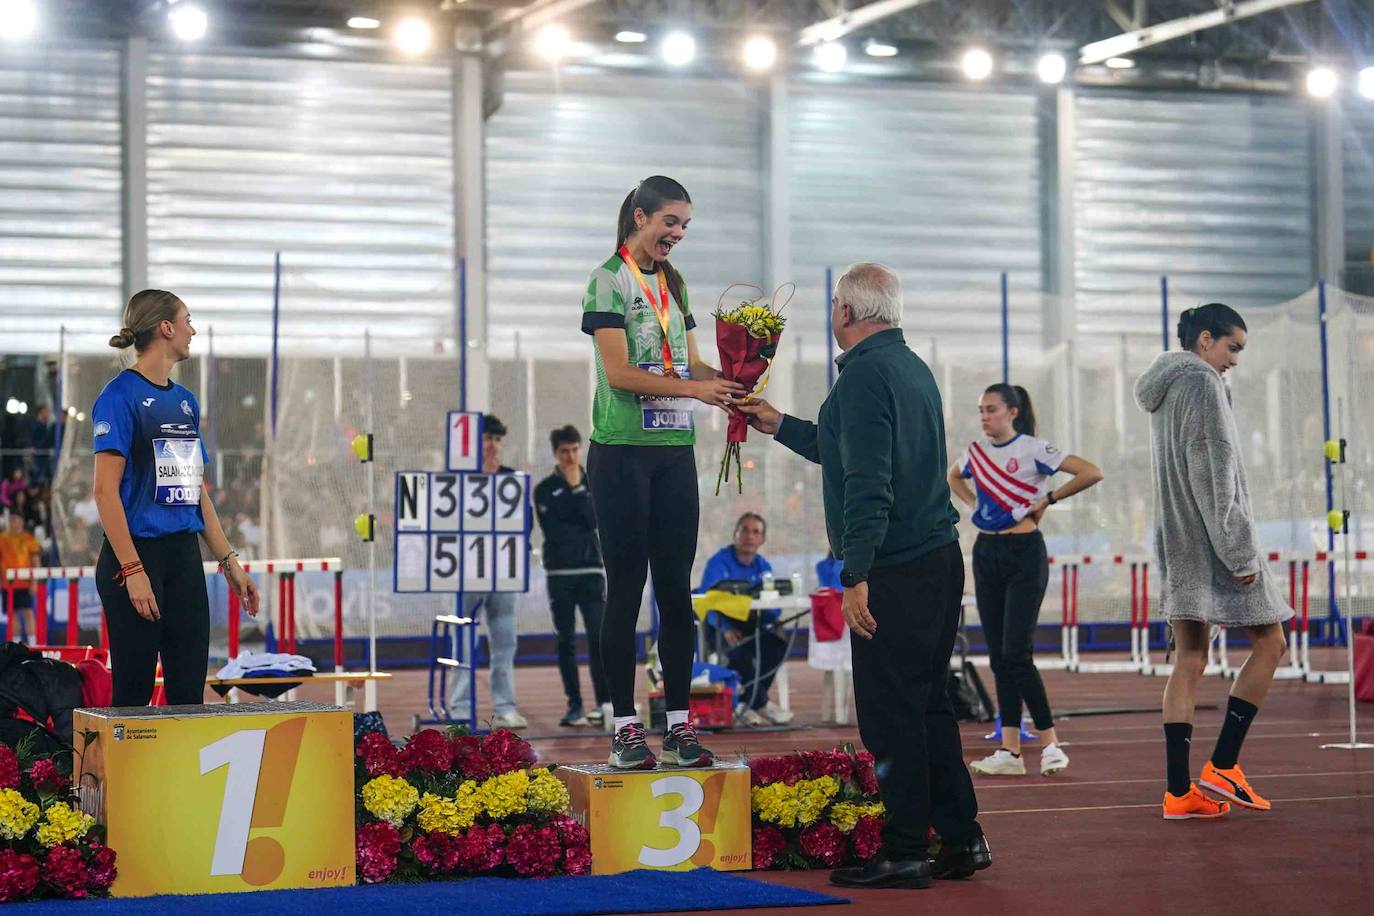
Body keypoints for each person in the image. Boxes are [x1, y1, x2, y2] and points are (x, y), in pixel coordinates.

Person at [738, 262, 987, 889]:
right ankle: (962, 838)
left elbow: (867, 484)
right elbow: (845, 447)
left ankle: (904, 851)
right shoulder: (909, 369)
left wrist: (855, 573)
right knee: (928, 706)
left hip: (894, 569)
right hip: (937, 560)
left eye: (831, 306)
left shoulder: (863, 377)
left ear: (846, 312)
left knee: (890, 714)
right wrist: (778, 424)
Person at [582, 175, 743, 769]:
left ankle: (679, 725)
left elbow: (689, 360)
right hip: (621, 451)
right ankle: (625, 727)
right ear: (641, 217)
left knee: (678, 591)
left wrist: (728, 383)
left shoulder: (673, 282)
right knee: (625, 588)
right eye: (670, 222)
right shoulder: (606, 279)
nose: (677, 234)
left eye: (685, 226)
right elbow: (620, 373)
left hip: (674, 450)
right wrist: (697, 388)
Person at [1135, 303, 1292, 820]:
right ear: (1205, 340)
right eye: (1233, 347)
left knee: (1190, 660)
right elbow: (1212, 472)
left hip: (1177, 541)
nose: (1235, 360)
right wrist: (1239, 551)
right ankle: (1223, 764)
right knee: (1272, 643)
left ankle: (1178, 794)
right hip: (1214, 542)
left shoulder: (1162, 389)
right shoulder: (1202, 384)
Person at [92, 289, 260, 706]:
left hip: (183, 557)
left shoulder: (185, 403)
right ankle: (124, 774)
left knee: (188, 697)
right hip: (133, 557)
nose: (192, 330)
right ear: (166, 328)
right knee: (133, 696)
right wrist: (132, 569)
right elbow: (104, 492)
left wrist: (230, 564)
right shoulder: (118, 397)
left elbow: (195, 492)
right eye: (187, 320)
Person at [948, 384, 1103, 778]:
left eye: (992, 409)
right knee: (999, 657)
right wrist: (974, 504)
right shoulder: (977, 453)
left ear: (1012, 412)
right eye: (981, 409)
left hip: (1025, 555)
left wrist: (1048, 500)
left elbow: (1090, 471)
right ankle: (1010, 750)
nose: (984, 416)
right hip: (986, 554)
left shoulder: (1034, 449)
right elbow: (953, 476)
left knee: (1017, 653)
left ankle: (1050, 743)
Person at [448, 416, 528, 729]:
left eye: (496, 439)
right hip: (467, 571)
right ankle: (460, 707)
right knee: (463, 641)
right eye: (486, 438)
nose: (492, 444)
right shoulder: (459, 478)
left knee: (505, 643)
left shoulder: (512, 479)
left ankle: (505, 707)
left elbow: (525, 522)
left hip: (504, 571)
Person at [534, 424, 609, 728]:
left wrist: (578, 491)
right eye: (564, 451)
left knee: (598, 638)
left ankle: (605, 703)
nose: (570, 456)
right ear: (556, 453)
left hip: (592, 570)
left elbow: (594, 521)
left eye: (575, 449)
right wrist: (577, 500)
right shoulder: (543, 489)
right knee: (565, 640)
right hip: (560, 573)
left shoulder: (594, 483)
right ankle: (574, 705)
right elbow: (554, 529)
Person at [696, 512, 793, 726]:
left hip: (752, 626)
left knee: (777, 646)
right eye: (745, 530)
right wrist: (726, 629)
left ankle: (747, 703)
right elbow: (707, 602)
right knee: (741, 651)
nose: (750, 536)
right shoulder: (718, 562)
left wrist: (774, 607)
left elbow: (772, 609)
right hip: (719, 628)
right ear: (735, 534)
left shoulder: (764, 566)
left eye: (755, 532)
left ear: (762, 540)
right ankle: (760, 703)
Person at [0, 513, 41, 645]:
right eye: (11, 520)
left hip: (25, 582)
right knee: (13, 614)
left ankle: (33, 644)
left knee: (28, 612)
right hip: (8, 583)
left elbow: (36, 560)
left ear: (21, 521)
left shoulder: (29, 538)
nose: (13, 522)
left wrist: (34, 581)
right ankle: (15, 644)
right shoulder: (2, 538)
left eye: (16, 520)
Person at [29, 406, 54, 484]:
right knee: (38, 476)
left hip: (45, 455)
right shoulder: (35, 425)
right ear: (40, 413)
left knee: (47, 476)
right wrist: (32, 447)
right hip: (38, 455)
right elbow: (32, 439)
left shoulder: (46, 426)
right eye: (45, 412)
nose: (47, 414)